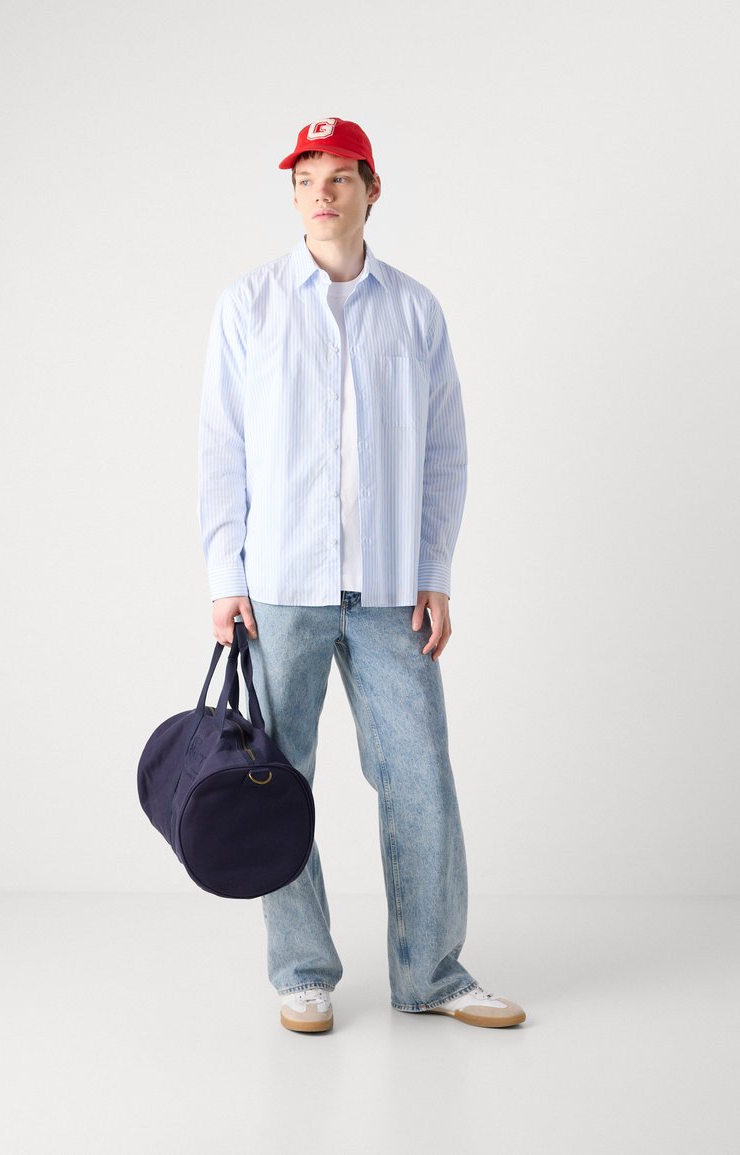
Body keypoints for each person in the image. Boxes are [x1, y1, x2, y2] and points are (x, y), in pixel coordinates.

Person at [198, 116, 526, 1033]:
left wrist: (435, 570)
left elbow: (445, 451)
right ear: (293, 194)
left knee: (420, 777)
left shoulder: (415, 310)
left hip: (388, 592)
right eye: (307, 178)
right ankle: (302, 970)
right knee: (275, 779)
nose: (322, 193)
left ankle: (433, 973)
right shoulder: (250, 304)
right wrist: (225, 572)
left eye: (340, 176)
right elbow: (221, 446)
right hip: (279, 588)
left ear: (372, 190)